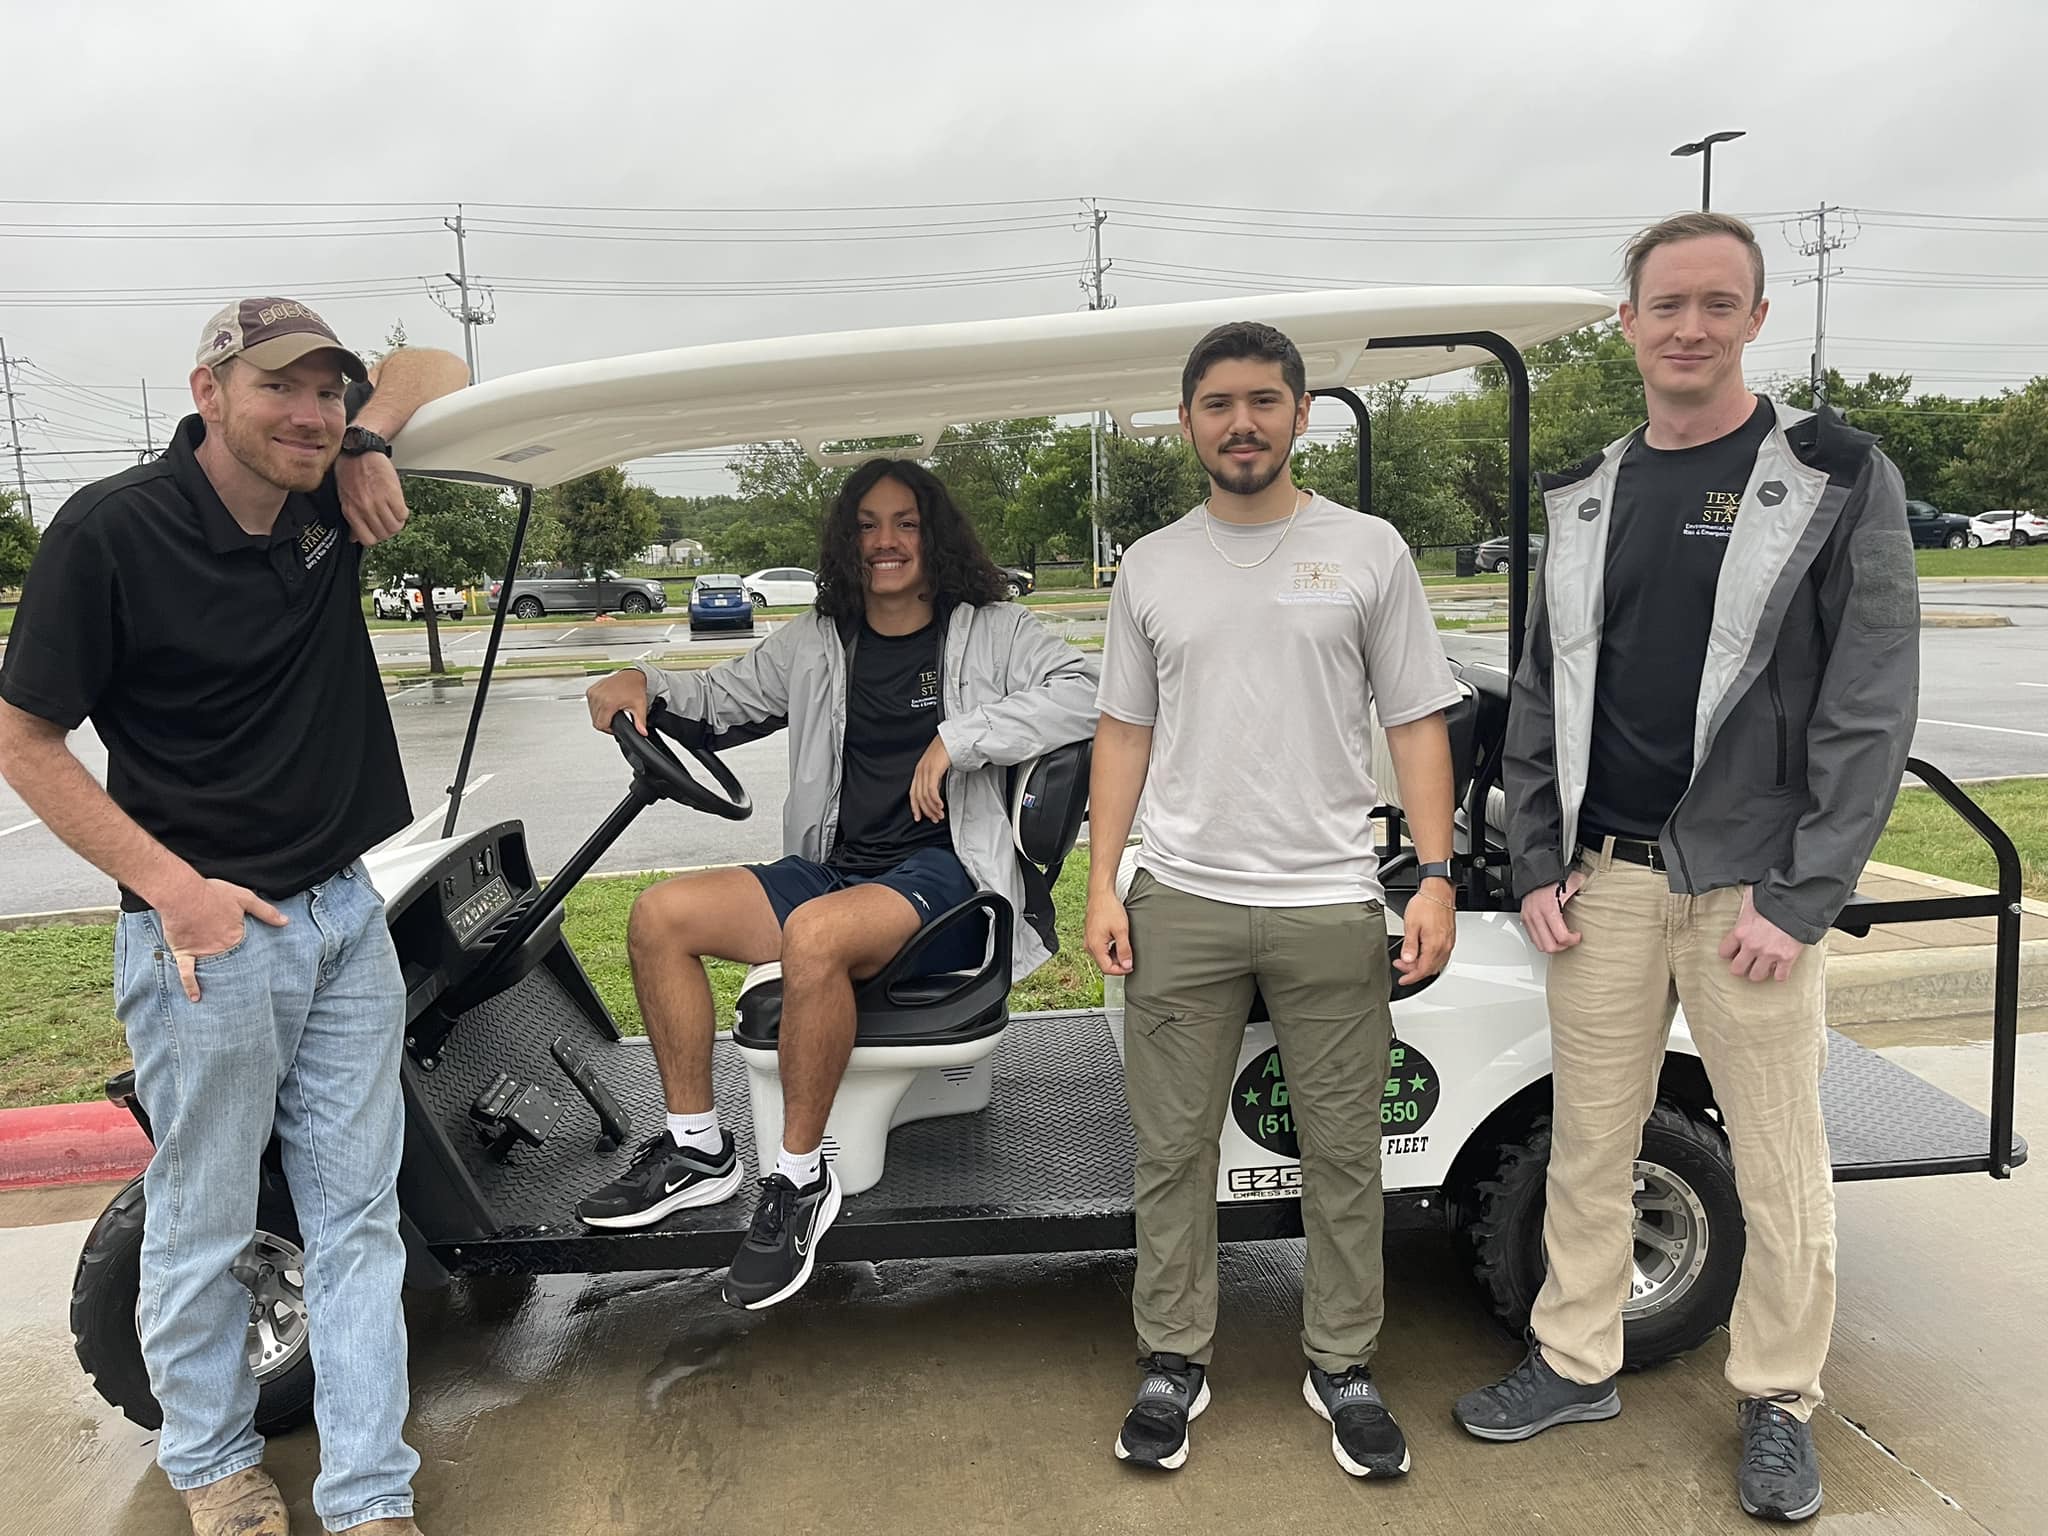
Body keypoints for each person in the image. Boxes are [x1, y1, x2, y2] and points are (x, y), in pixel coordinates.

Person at [1451, 213, 1919, 1525]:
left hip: (1749, 894)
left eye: (1719, 305)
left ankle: (1777, 1400)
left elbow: (1872, 705)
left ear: (1756, 319)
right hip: (1603, 886)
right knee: (1591, 1145)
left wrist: (1804, 889)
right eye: (1667, 306)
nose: (1690, 328)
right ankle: (1574, 1359)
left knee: (1778, 1164)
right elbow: (1542, 700)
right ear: (1629, 323)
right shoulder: (1590, 493)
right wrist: (1538, 859)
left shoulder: (1831, 478)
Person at [0, 300, 469, 1536]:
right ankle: (214, 1469)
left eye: (328, 393)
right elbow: (24, 737)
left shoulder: (325, 494)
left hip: (343, 916)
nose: (309, 414)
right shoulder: (112, 532)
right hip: (209, 943)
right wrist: (173, 891)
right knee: (207, 1218)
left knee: (359, 1219)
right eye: (282, 390)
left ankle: (372, 1498)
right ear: (207, 392)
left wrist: (368, 441)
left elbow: (436, 363)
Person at [576, 457, 1097, 1310]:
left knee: (813, 934)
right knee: (660, 915)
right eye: (866, 526)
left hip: (948, 884)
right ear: (845, 543)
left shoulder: (994, 632)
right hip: (834, 866)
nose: (884, 542)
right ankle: (699, 1149)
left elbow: (1091, 690)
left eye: (904, 524)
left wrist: (962, 738)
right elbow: (715, 699)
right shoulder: (819, 640)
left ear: (933, 535)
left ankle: (797, 1179)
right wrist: (643, 683)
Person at [1085, 321, 1460, 1479]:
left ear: (1300, 414)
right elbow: (1122, 728)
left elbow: (1413, 721)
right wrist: (1102, 879)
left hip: (1328, 901)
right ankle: (1172, 1361)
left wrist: (1436, 876)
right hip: (1180, 900)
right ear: (1188, 421)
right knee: (1170, 1154)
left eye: (1262, 401)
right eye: (1216, 404)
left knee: (1344, 1153)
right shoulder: (1149, 564)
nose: (1239, 423)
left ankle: (1340, 1362)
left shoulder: (1366, 551)